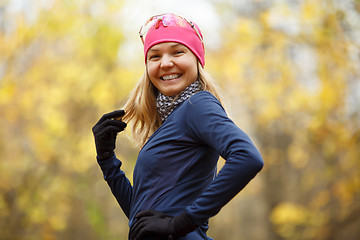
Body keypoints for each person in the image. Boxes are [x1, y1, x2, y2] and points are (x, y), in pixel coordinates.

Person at [92, 13, 264, 240]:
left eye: (177, 52)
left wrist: (181, 223)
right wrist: (107, 161)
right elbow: (142, 219)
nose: (165, 63)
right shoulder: (172, 121)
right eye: (154, 56)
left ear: (197, 59)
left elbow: (248, 157)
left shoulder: (197, 105)